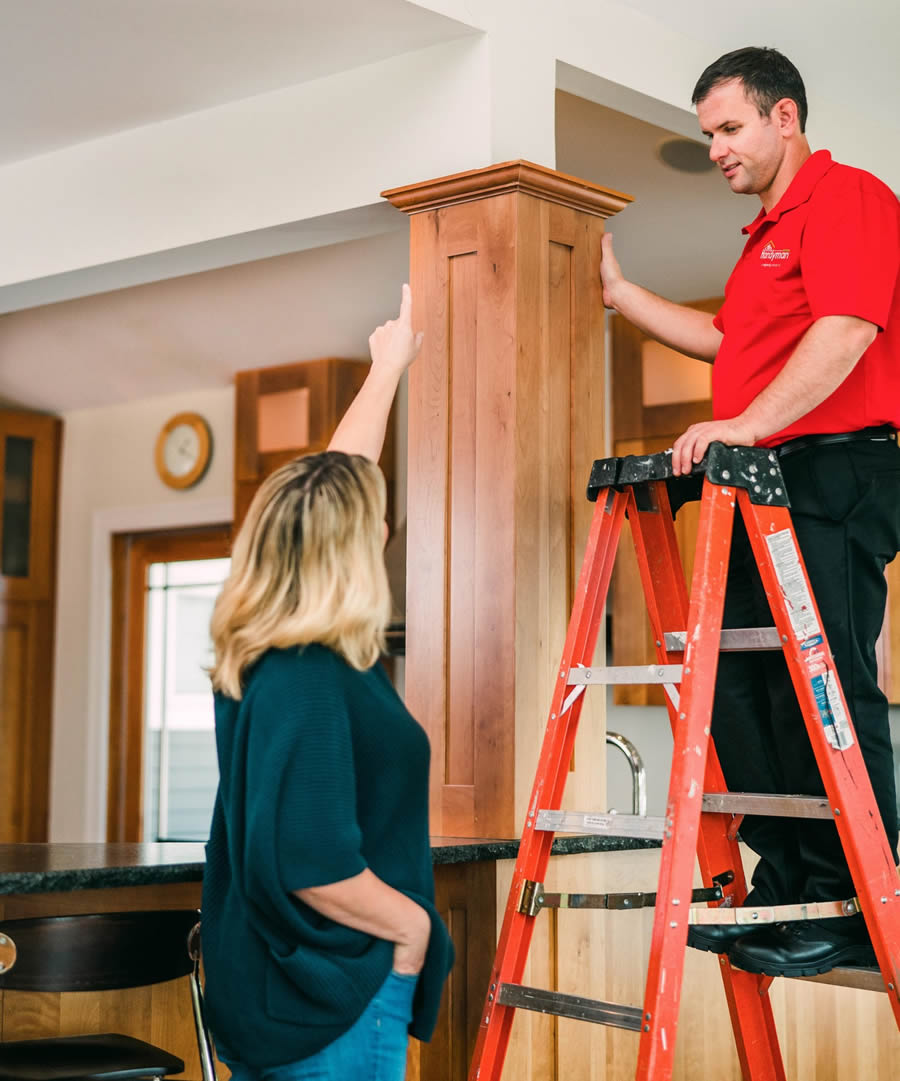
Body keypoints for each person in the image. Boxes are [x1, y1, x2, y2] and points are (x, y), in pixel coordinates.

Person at [600, 46, 900, 977]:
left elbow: (846, 331)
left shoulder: (850, 198)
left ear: (785, 118)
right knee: (739, 686)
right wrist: (620, 295)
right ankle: (792, 883)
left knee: (823, 687)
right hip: (763, 475)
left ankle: (858, 899)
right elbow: (728, 339)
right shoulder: (764, 236)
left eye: (730, 129)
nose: (718, 149)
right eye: (708, 135)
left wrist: (740, 427)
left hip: (833, 470)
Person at [201, 284, 453, 1080]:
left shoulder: (274, 652)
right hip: (333, 998)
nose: (385, 528)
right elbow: (312, 861)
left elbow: (339, 480)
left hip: (281, 993)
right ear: (360, 545)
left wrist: (389, 366)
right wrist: (413, 929)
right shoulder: (309, 677)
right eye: (377, 521)